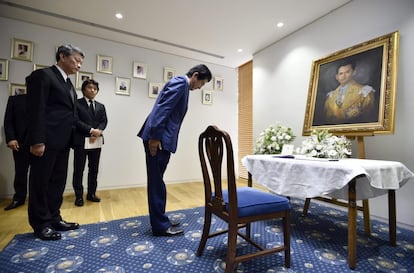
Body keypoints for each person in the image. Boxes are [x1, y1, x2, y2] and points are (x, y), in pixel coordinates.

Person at [137, 64, 212, 236]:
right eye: (202, 83)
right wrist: (155, 138)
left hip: (161, 138)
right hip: (159, 138)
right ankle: (160, 226)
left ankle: (160, 219)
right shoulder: (180, 83)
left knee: (157, 181)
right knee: (156, 182)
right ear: (195, 75)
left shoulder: (182, 85)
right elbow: (162, 109)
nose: (200, 87)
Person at [25, 44, 84, 241]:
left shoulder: (68, 84)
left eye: (80, 62)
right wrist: (37, 140)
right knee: (40, 183)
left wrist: (89, 130)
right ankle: (41, 224)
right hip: (46, 141)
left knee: (57, 183)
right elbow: (36, 110)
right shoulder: (43, 76)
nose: (79, 66)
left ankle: (53, 217)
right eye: (76, 60)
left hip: (64, 142)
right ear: (62, 56)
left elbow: (71, 115)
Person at [72, 79, 108, 206]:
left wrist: (98, 131)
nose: (93, 90)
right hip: (81, 141)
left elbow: (104, 121)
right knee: (78, 170)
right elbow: (75, 121)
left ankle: (91, 194)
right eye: (90, 88)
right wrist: (91, 130)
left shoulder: (101, 106)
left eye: (95, 88)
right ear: (83, 90)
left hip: (96, 142)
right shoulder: (76, 104)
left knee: (94, 169)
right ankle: (78, 196)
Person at [324, 60, 376, 124]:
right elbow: (328, 118)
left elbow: (368, 116)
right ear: (337, 77)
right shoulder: (331, 95)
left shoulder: (365, 92)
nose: (343, 76)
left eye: (347, 72)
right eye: (341, 73)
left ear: (354, 72)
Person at [3, 93, 30, 211]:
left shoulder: (47, 100)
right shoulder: (15, 100)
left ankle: (38, 200)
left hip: (41, 144)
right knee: (20, 172)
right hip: (20, 143)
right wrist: (11, 138)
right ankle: (19, 198)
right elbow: (8, 121)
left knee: (41, 175)